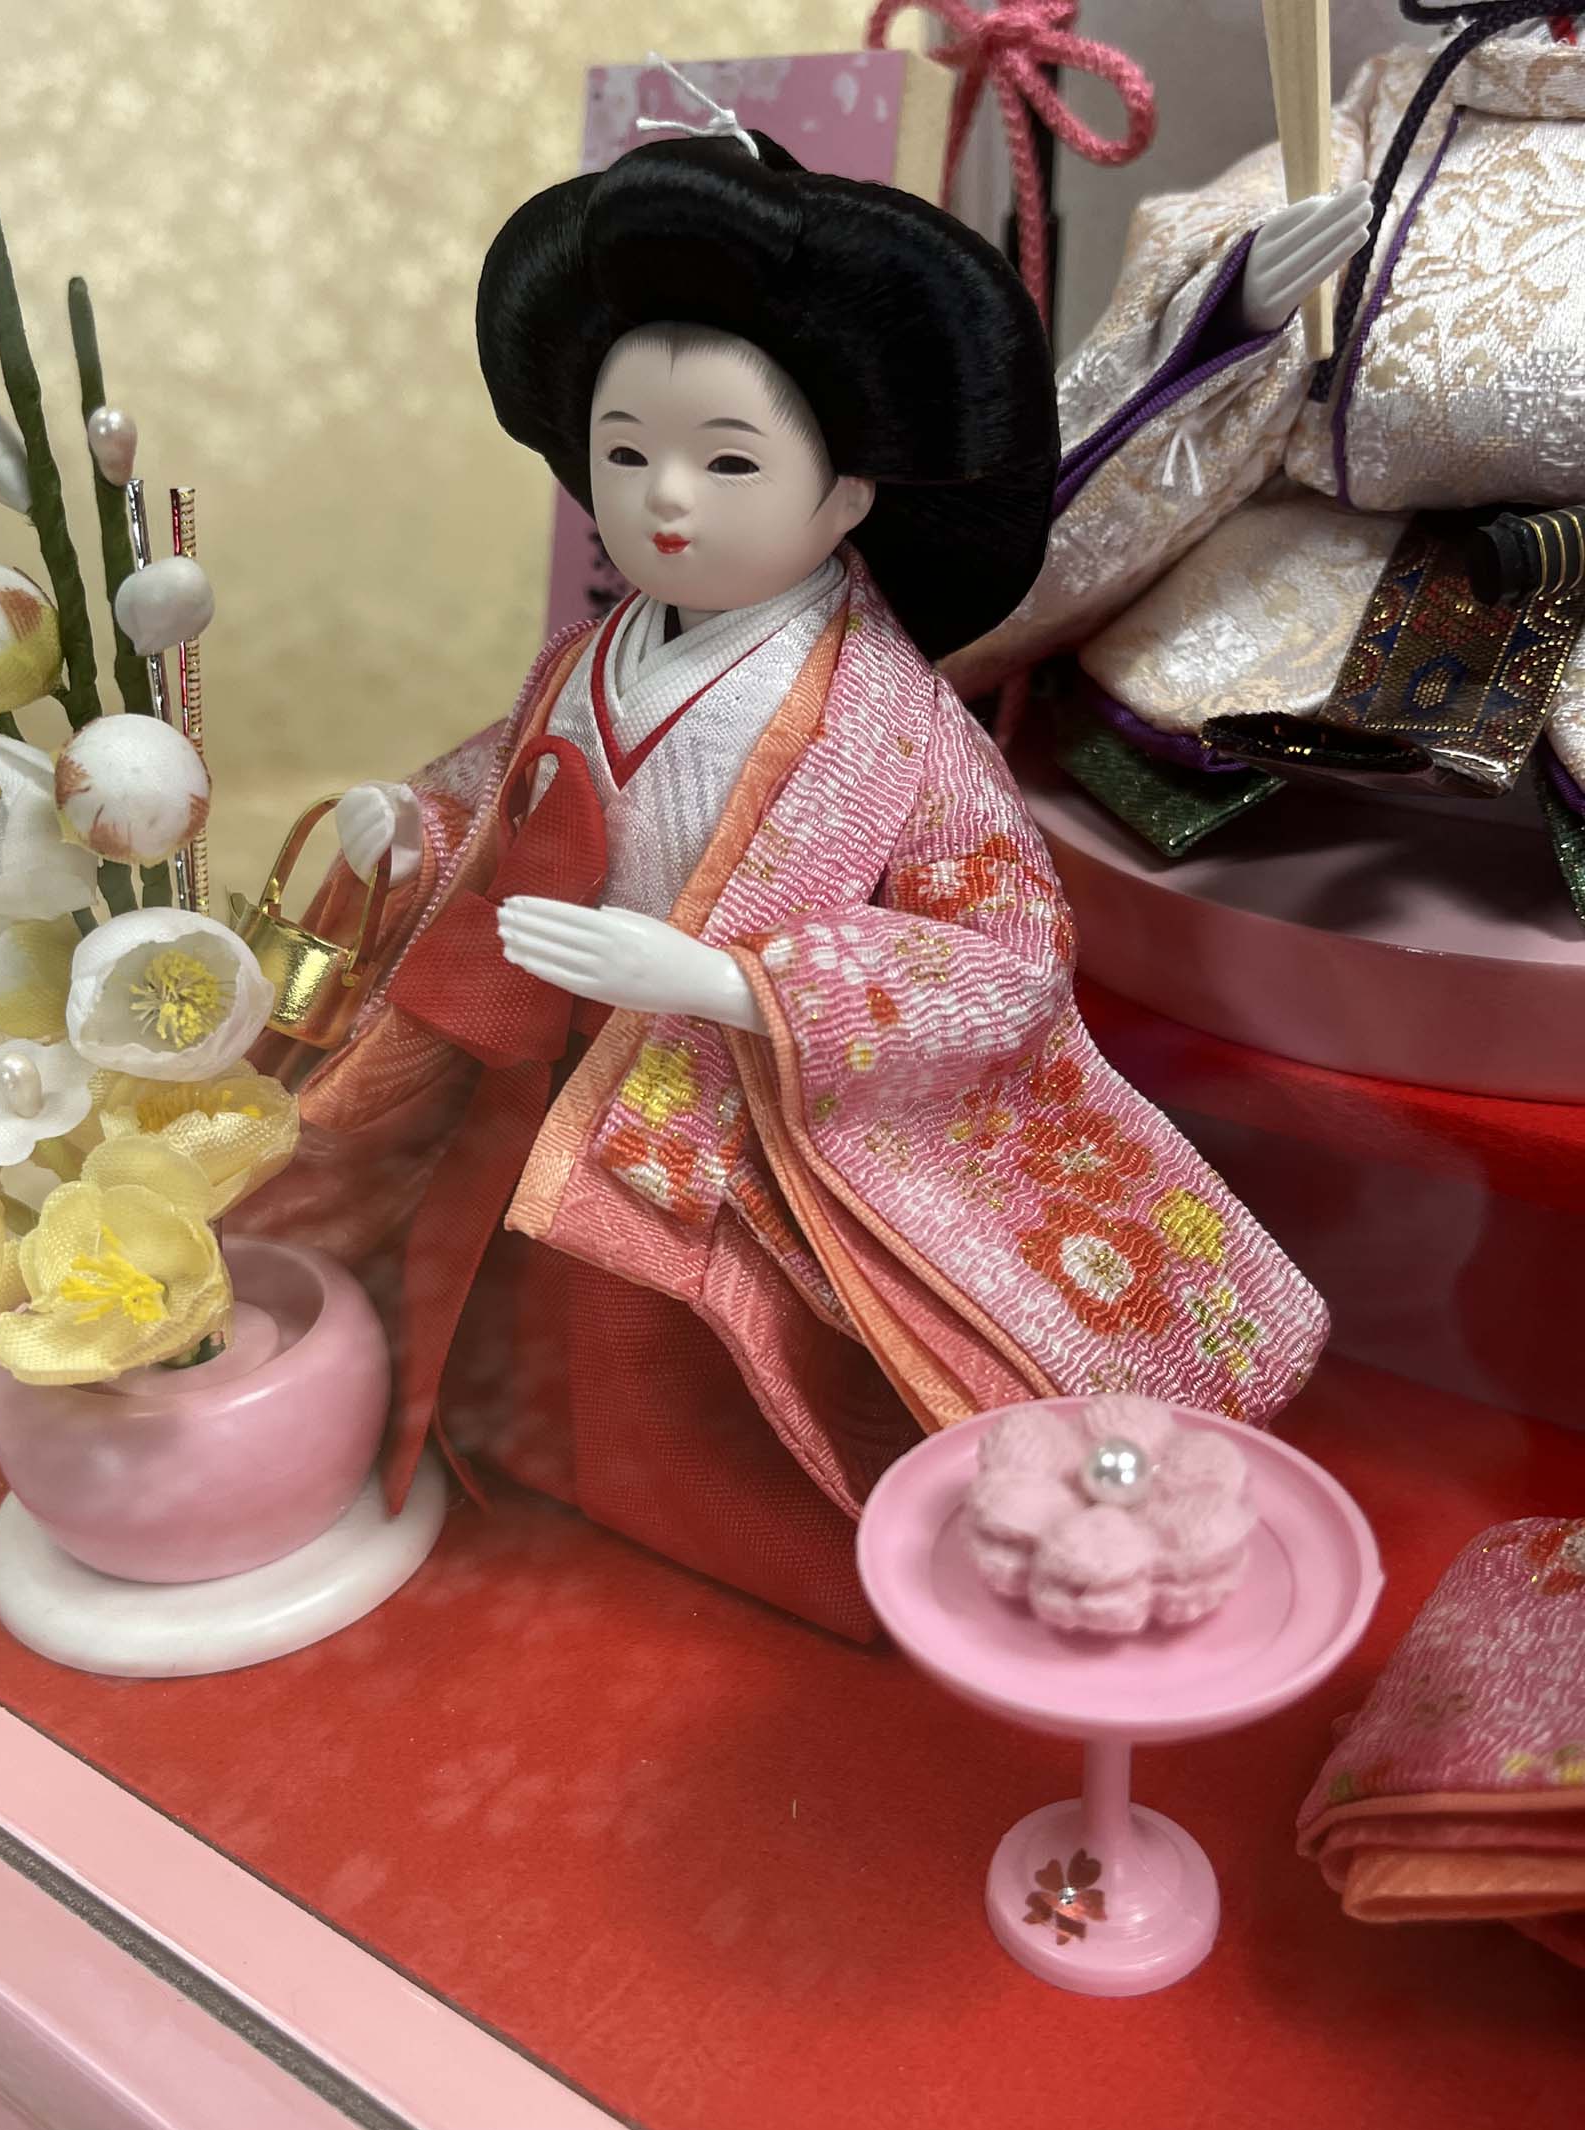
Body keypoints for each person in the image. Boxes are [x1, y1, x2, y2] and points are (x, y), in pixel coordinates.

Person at [238, 119, 1327, 1639]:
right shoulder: (594, 656)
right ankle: (535, 1464)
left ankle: (781, 1554)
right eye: (626, 453)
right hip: (557, 1065)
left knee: (708, 1359)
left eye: (729, 459)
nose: (664, 500)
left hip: (739, 1101)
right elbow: (501, 786)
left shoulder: (892, 716)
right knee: (524, 1307)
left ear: (852, 489)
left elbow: (1010, 943)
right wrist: (412, 829)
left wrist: (735, 983)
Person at [945, 4, 1585, 905]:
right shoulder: (1403, 95)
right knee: (1205, 683)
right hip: (1336, 542)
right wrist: (1240, 293)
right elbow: (1260, 198)